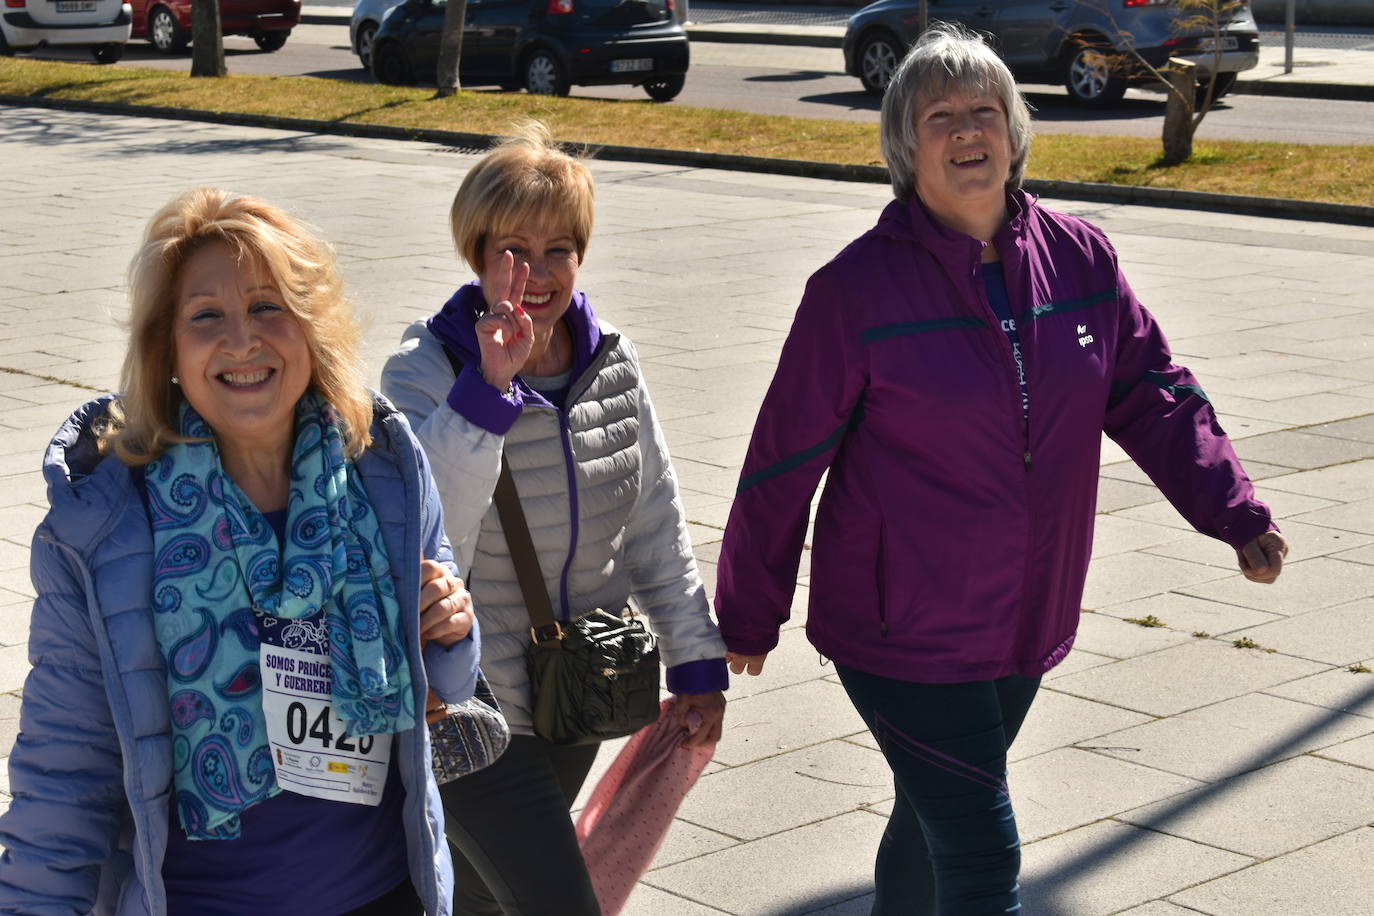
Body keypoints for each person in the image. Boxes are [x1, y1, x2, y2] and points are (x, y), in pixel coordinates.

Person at [713, 25, 1289, 916]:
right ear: (906, 150)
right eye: (940, 115)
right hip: (900, 629)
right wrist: (749, 612)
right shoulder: (853, 293)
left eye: (986, 110)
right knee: (983, 861)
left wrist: (1234, 508)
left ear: (1016, 134)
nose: (967, 128)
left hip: (1024, 612)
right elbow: (782, 464)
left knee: (933, 820)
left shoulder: (1082, 259)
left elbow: (1152, 392)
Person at [0, 188, 479, 916]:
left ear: (310, 326)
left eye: (266, 307)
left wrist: (451, 625)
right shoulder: (103, 530)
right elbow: (65, 779)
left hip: (387, 895)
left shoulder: (382, 469)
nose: (242, 340)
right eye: (205, 317)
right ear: (168, 348)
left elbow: (448, 681)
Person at [381, 124, 729, 916]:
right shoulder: (424, 372)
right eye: (514, 249)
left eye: (560, 250)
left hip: (576, 693)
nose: (536, 275)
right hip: (463, 704)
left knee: (480, 899)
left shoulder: (613, 365)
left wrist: (697, 662)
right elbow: (424, 535)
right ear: (476, 252)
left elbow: (653, 524)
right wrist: (486, 395)